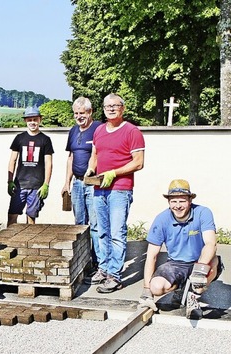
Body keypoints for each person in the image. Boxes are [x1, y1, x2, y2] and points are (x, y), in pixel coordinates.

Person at [138, 180, 223, 320]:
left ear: (190, 200)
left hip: (201, 261)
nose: (178, 206)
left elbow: (210, 244)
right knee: (156, 287)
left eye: (182, 201)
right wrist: (147, 291)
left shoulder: (203, 213)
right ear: (169, 202)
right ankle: (181, 288)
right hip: (176, 263)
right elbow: (151, 256)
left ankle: (193, 296)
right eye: (174, 201)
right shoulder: (161, 219)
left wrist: (199, 271)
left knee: (208, 266)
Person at [85, 93, 145, 293]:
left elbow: (138, 162)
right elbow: (95, 155)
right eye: (107, 106)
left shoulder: (132, 131)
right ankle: (103, 268)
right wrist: (90, 170)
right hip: (99, 189)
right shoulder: (99, 130)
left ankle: (115, 276)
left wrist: (114, 173)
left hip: (120, 189)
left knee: (117, 233)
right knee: (102, 231)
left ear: (123, 108)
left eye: (115, 105)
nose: (111, 109)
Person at [61, 97, 101, 269]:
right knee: (79, 223)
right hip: (77, 183)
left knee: (95, 224)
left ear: (90, 112)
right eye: (76, 113)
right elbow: (70, 158)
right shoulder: (73, 131)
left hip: (92, 183)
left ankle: (98, 262)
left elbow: (98, 153)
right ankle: (82, 260)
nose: (79, 116)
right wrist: (66, 183)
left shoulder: (98, 128)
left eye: (82, 113)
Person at [7, 106, 54, 225]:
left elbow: (49, 163)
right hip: (19, 185)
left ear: (40, 120)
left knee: (31, 217)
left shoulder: (45, 139)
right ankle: (10, 243)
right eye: (29, 120)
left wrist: (46, 184)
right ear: (25, 121)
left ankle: (29, 243)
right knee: (12, 215)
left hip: (36, 186)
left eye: (35, 119)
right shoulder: (19, 138)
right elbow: (12, 160)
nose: (32, 122)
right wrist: (10, 181)